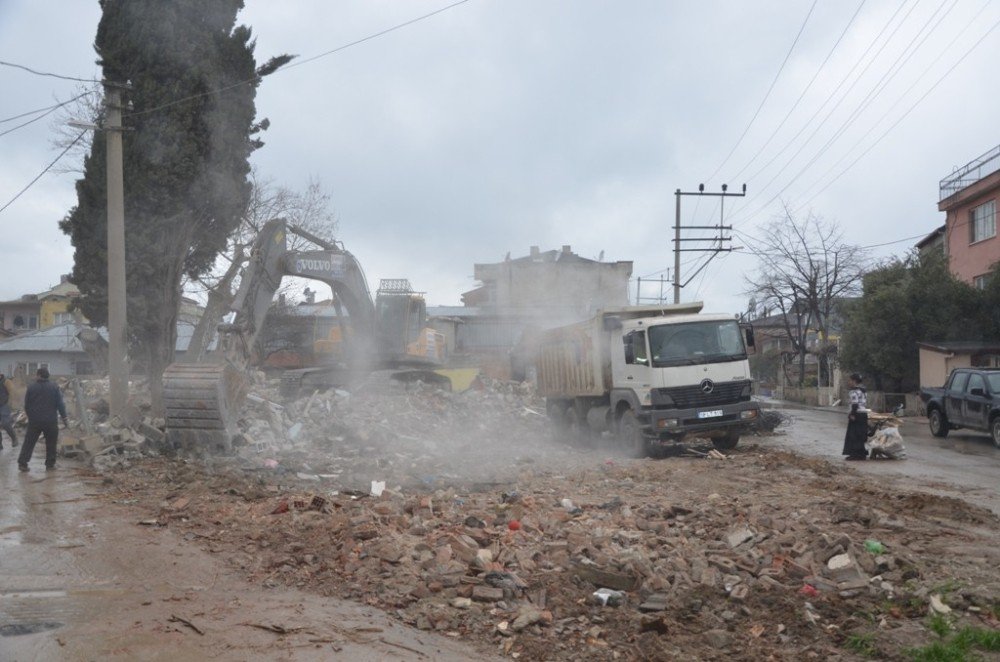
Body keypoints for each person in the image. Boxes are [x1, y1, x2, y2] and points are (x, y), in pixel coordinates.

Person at [17, 368, 68, 472]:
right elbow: (60, 404)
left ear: (39, 375)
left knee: (29, 442)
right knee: (51, 443)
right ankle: (50, 465)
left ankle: (23, 463)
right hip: (50, 421)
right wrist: (64, 418)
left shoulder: (31, 387)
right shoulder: (54, 387)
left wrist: (31, 416)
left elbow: (27, 405)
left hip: (35, 421)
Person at [842, 372, 869, 461]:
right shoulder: (863, 390)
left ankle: (855, 455)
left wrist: (852, 414)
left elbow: (855, 404)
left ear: (854, 381)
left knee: (853, 435)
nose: (849, 382)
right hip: (863, 414)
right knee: (860, 435)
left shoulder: (854, 391)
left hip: (856, 414)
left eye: (850, 380)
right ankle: (862, 454)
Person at [0, 373, 18, 449]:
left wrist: (11, 404)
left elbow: (13, 393)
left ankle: (14, 438)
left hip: (4, 405)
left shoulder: (6, 382)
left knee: (5, 423)